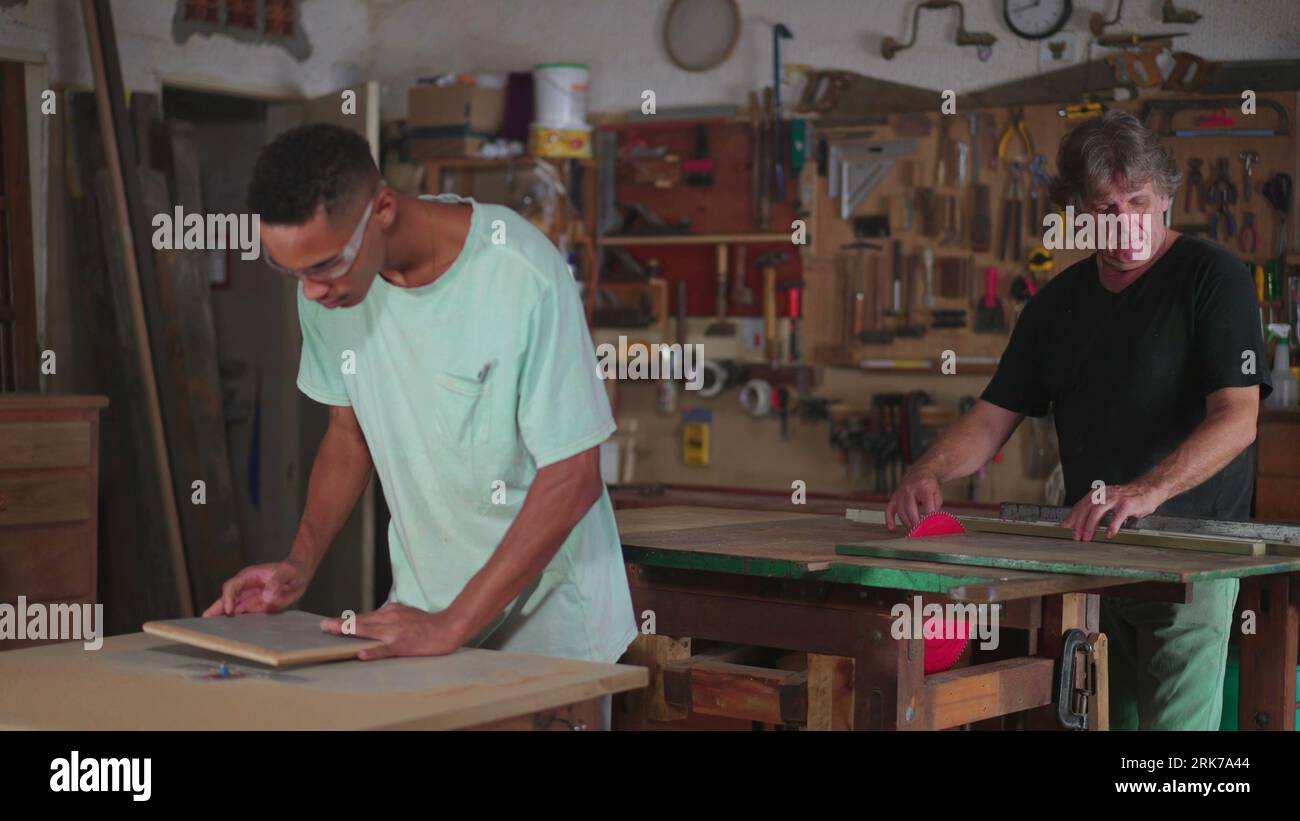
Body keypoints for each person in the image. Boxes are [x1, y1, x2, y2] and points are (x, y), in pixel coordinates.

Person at [204, 124, 636, 681]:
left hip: (552, 629)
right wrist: (300, 561)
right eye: (291, 271)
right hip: (426, 616)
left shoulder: (518, 273)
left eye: (323, 265)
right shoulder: (328, 291)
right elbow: (347, 435)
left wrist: (451, 625)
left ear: (382, 208)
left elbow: (574, 476)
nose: (310, 291)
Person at [886, 110, 1270, 729]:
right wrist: (926, 471)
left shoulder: (1212, 278)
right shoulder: (1053, 308)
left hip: (1191, 555)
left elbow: (1239, 417)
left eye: (1137, 202)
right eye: (1103, 209)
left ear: (1165, 194)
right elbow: (989, 420)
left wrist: (1148, 490)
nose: (1124, 225)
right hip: (1093, 553)